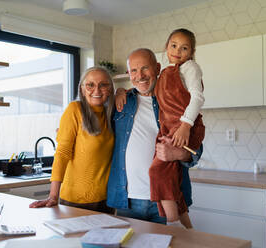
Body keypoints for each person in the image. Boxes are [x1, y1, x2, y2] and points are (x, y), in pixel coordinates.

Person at [106, 47, 203, 227]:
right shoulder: (122, 101)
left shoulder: (177, 101)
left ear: (157, 69)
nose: (140, 75)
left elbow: (197, 147)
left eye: (145, 68)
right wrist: (119, 90)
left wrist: (178, 154)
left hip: (168, 199)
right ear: (129, 74)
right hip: (127, 200)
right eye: (134, 70)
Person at [29, 66, 115, 213]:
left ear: (110, 89)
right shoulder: (74, 110)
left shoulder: (112, 114)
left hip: (106, 200)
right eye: (90, 85)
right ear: (82, 89)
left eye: (103, 85)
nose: (97, 90)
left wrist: (121, 93)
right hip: (76, 201)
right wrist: (53, 195)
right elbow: (62, 153)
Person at [149, 28, 205, 228]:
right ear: (166, 46)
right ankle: (187, 230)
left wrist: (185, 126)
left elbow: (197, 97)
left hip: (182, 130)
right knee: (173, 180)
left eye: (184, 48)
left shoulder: (190, 67)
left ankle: (174, 226)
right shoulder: (166, 72)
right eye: (174, 45)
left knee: (158, 172)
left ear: (191, 52)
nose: (178, 51)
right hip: (169, 130)